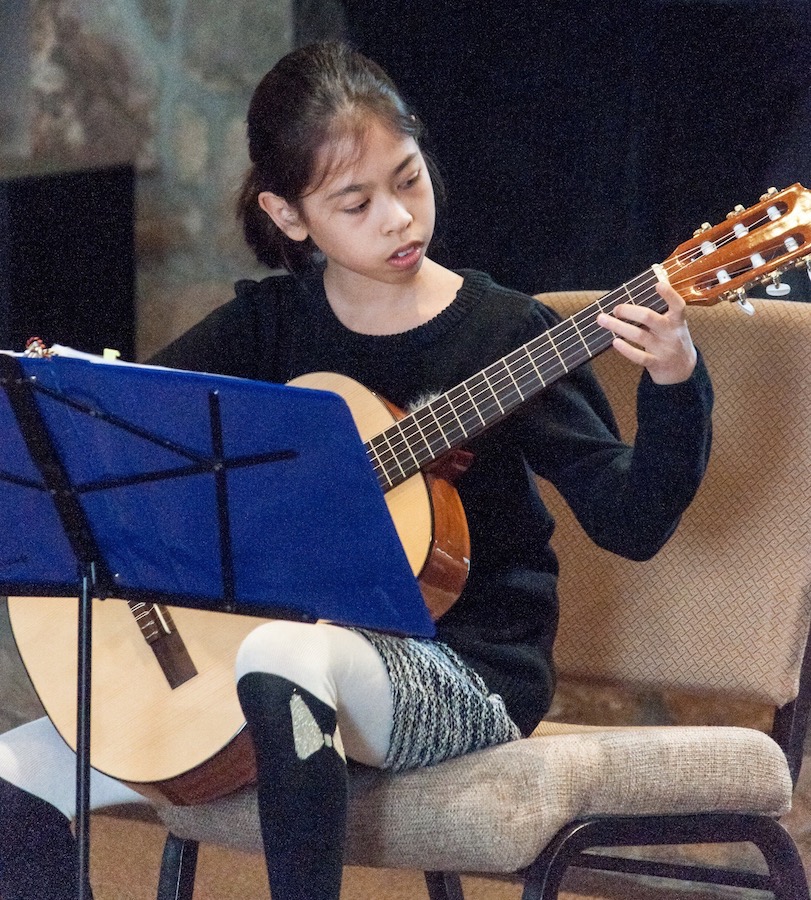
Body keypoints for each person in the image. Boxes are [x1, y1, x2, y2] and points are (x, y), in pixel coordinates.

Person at [0, 40, 713, 900]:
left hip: (466, 667)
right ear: (290, 215)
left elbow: (632, 523)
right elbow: (131, 441)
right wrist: (70, 391)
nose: (399, 218)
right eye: (356, 202)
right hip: (272, 659)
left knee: (283, 653)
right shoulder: (269, 326)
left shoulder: (504, 335)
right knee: (14, 773)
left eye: (408, 179)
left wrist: (674, 381)